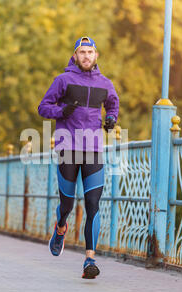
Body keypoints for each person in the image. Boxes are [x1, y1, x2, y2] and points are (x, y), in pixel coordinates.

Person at [38, 36, 119, 279]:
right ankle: (61, 226)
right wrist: (61, 111)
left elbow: (113, 105)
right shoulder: (63, 80)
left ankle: (89, 260)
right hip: (68, 148)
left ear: (96, 56)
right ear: (75, 56)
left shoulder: (105, 84)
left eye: (90, 52)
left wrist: (111, 119)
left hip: (94, 149)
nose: (86, 56)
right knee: (68, 205)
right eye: (82, 52)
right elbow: (43, 107)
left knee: (93, 204)